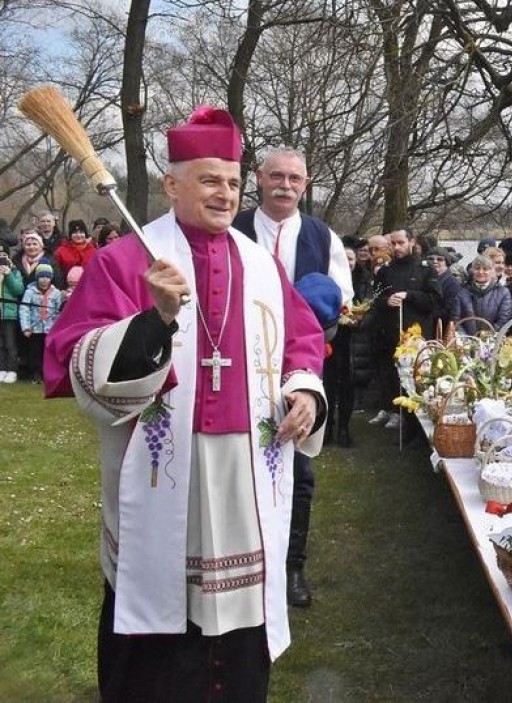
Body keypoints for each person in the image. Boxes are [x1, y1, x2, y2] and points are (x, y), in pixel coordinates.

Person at [44, 107, 326, 701]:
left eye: (231, 181)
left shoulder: (261, 262)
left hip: (246, 472)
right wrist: (156, 320)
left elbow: (302, 339)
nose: (225, 194)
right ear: (172, 184)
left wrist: (304, 389)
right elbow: (73, 358)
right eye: (208, 180)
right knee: (159, 605)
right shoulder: (124, 259)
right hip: (167, 470)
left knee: (239, 614)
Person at [232, 147, 353, 609]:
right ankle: (241, 564)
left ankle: (291, 567)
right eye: (276, 176)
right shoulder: (234, 227)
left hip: (299, 366)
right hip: (238, 361)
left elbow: (341, 298)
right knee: (237, 464)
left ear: (306, 183)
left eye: (295, 179)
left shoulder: (323, 237)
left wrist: (318, 315)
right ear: (259, 179)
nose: (285, 185)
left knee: (298, 469)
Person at [371, 227, 442, 429]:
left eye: (401, 243)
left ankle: (417, 424)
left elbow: (435, 300)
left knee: (418, 379)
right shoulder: (385, 271)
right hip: (391, 332)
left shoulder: (426, 270)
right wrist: (387, 301)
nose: (396, 247)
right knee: (391, 376)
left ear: (412, 241)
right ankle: (395, 411)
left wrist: (410, 296)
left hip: (417, 336)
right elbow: (376, 299)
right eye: (393, 244)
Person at [20, 263, 62, 382]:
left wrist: (58, 328)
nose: (44, 280)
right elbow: (24, 309)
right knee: (35, 352)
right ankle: (35, 373)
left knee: (47, 352)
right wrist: (26, 327)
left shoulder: (56, 293)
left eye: (47, 277)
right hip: (35, 328)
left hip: (50, 328)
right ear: (37, 277)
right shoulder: (30, 292)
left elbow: (58, 311)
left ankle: (47, 373)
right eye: (41, 277)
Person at [458, 254, 512, 334]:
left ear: (492, 271)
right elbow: (456, 318)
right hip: (466, 341)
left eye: (485, 269)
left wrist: (487, 336)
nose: (481, 272)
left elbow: (504, 319)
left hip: (493, 340)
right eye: (477, 268)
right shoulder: (462, 292)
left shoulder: (503, 292)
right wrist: (465, 339)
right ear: (472, 270)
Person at [0, 244, 24, 383]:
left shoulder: (14, 272)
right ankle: (1, 368)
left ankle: (12, 370)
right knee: (0, 344)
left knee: (10, 343)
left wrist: (8, 275)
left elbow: (18, 290)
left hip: (9, 313)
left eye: (3, 256)